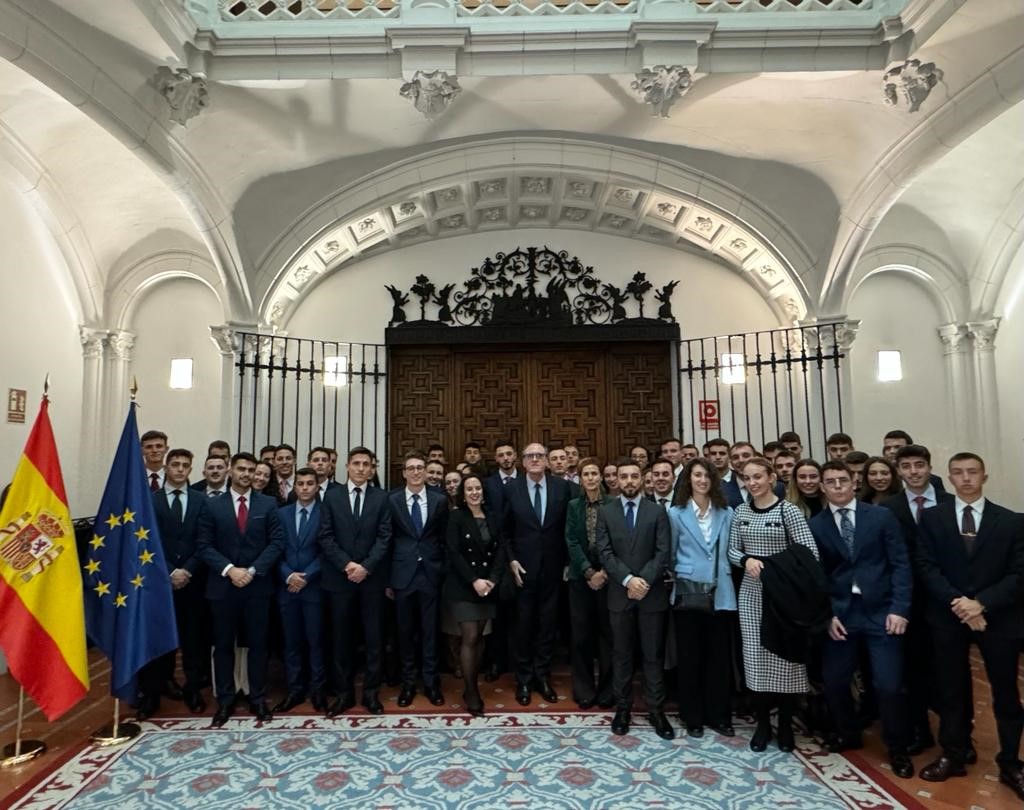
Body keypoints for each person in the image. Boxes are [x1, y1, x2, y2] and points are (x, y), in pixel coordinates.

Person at [915, 453, 1024, 799]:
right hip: (948, 616)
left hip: (999, 617)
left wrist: (982, 603)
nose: (965, 478)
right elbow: (926, 565)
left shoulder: (1011, 521)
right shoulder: (932, 519)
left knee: (1005, 691)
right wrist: (960, 604)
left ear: (984, 476)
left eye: (972, 472)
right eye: (958, 473)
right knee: (951, 689)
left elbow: (1019, 573)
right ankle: (954, 753)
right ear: (948, 477)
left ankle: (1011, 761)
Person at [809, 461, 914, 779]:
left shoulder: (880, 517)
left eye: (843, 480)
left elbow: (900, 564)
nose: (838, 486)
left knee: (888, 684)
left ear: (854, 482)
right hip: (841, 614)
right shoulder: (816, 525)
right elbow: (817, 578)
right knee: (836, 681)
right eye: (831, 482)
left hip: (883, 611)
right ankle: (848, 733)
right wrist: (827, 615)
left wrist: (900, 608)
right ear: (822, 487)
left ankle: (898, 747)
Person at [728, 457, 819, 752]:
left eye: (758, 477)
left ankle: (786, 725)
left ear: (771, 478)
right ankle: (763, 724)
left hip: (784, 596)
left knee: (785, 658)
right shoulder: (740, 511)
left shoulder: (788, 510)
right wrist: (746, 559)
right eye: (747, 478)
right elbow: (731, 549)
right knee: (755, 657)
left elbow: (808, 551)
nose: (752, 483)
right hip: (752, 594)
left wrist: (773, 565)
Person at [196, 452, 285, 726]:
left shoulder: (268, 504)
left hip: (257, 586)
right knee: (223, 645)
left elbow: (277, 542)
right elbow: (204, 545)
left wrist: (253, 570)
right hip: (223, 586)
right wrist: (229, 570)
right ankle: (225, 700)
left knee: (258, 645)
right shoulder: (211, 505)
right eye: (241, 469)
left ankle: (258, 698)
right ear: (230, 471)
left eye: (250, 470)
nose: (246, 474)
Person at [882, 443, 955, 756]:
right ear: (899, 471)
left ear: (929, 467)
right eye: (907, 466)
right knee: (913, 670)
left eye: (919, 465)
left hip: (948, 600)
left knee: (952, 672)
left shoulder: (952, 504)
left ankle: (957, 738)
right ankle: (920, 731)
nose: (914, 472)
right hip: (909, 600)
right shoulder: (888, 508)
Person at [596, 460, 674, 740]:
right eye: (623, 476)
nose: (629, 481)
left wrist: (644, 581)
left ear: (643, 479)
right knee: (622, 653)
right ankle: (623, 708)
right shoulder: (606, 511)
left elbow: (663, 551)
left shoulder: (657, 511)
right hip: (620, 593)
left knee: (653, 654)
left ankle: (656, 709)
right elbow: (604, 552)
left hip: (651, 595)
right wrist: (629, 580)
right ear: (616, 479)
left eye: (634, 476)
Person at [318, 446, 393, 716]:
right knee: (341, 640)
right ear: (347, 467)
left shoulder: (381, 498)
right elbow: (325, 536)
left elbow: (385, 537)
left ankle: (371, 694)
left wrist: (366, 567)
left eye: (366, 464)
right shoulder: (331, 497)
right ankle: (344, 695)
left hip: (372, 580)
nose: (361, 468)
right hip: (340, 580)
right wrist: (347, 565)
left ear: (372, 469)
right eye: (356, 463)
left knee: (374, 640)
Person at [137, 448, 207, 718]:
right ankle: (152, 694)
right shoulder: (150, 501)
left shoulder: (202, 501)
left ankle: (193, 688)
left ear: (191, 470)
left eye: (185, 465)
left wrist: (186, 570)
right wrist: (168, 571)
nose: (180, 469)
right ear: (166, 467)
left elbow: (204, 541)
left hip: (192, 580)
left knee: (193, 639)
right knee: (159, 639)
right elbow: (145, 542)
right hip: (159, 581)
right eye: (175, 464)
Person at [669, 457, 736, 738]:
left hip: (721, 591)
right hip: (688, 591)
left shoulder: (727, 512)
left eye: (707, 475)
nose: (702, 480)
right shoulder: (675, 513)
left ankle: (719, 715)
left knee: (719, 658)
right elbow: (670, 553)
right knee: (690, 657)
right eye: (697, 475)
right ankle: (692, 716)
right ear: (688, 479)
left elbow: (732, 550)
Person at [503, 441, 573, 706]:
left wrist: (567, 562)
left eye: (539, 456)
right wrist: (511, 561)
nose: (534, 459)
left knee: (547, 626)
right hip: (522, 570)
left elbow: (568, 528)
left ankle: (542, 676)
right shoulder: (512, 490)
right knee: (523, 626)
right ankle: (523, 679)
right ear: (523, 462)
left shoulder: (562, 488)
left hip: (553, 570)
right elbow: (504, 531)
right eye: (530, 455)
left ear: (546, 461)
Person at [389, 451, 449, 707]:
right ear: (403, 473)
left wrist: (443, 571)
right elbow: (387, 540)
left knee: (430, 632)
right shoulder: (391, 500)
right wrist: (388, 581)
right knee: (404, 633)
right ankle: (408, 684)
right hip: (402, 576)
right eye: (410, 468)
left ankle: (432, 683)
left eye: (420, 468)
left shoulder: (439, 500)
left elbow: (446, 539)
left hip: (431, 574)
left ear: (426, 472)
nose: (415, 472)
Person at [444, 474, 507, 716]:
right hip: (464, 585)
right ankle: (471, 691)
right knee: (469, 636)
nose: (474, 492)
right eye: (469, 489)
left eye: (477, 488)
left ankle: (471, 684)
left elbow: (501, 548)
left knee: (480, 637)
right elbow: (454, 552)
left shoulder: (493, 516)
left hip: (488, 585)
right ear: (463, 493)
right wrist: (474, 581)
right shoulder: (456, 517)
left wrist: (492, 579)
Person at [274, 467, 326, 713]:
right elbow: (275, 548)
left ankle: (318, 691)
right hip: (288, 588)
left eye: (309, 484)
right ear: (294, 487)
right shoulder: (281, 514)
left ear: (317, 487)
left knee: (316, 642)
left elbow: (327, 549)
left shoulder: (326, 513)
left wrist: (307, 575)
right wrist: (288, 575)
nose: (305, 488)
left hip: (313, 587)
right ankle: (294, 690)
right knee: (291, 643)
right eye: (301, 484)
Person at [564, 457, 614, 710]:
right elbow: (571, 540)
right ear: (581, 479)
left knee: (608, 636)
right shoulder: (573, 505)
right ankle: (583, 689)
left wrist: (604, 572)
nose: (591, 478)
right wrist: (587, 571)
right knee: (581, 636)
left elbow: (617, 541)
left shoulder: (613, 504)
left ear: (601, 477)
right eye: (587, 474)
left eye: (595, 473)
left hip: (608, 578)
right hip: (580, 578)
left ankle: (607, 690)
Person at [483, 440, 519, 511]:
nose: (505, 458)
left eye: (509, 454)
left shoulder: (526, 480)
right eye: (501, 455)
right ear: (496, 458)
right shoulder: (487, 484)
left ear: (515, 455)